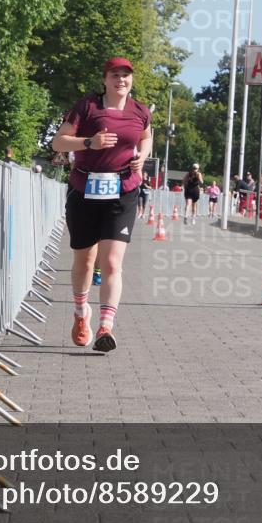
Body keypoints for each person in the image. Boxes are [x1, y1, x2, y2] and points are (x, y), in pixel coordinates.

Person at [52, 57, 152, 353]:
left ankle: (106, 327)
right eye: (115, 75)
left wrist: (143, 156)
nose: (121, 80)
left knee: (111, 263)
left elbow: (146, 137)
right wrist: (89, 143)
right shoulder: (87, 107)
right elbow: (58, 142)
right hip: (84, 189)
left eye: (126, 75)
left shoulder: (140, 111)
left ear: (132, 80)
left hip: (123, 190)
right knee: (85, 261)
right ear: (105, 80)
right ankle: (81, 313)